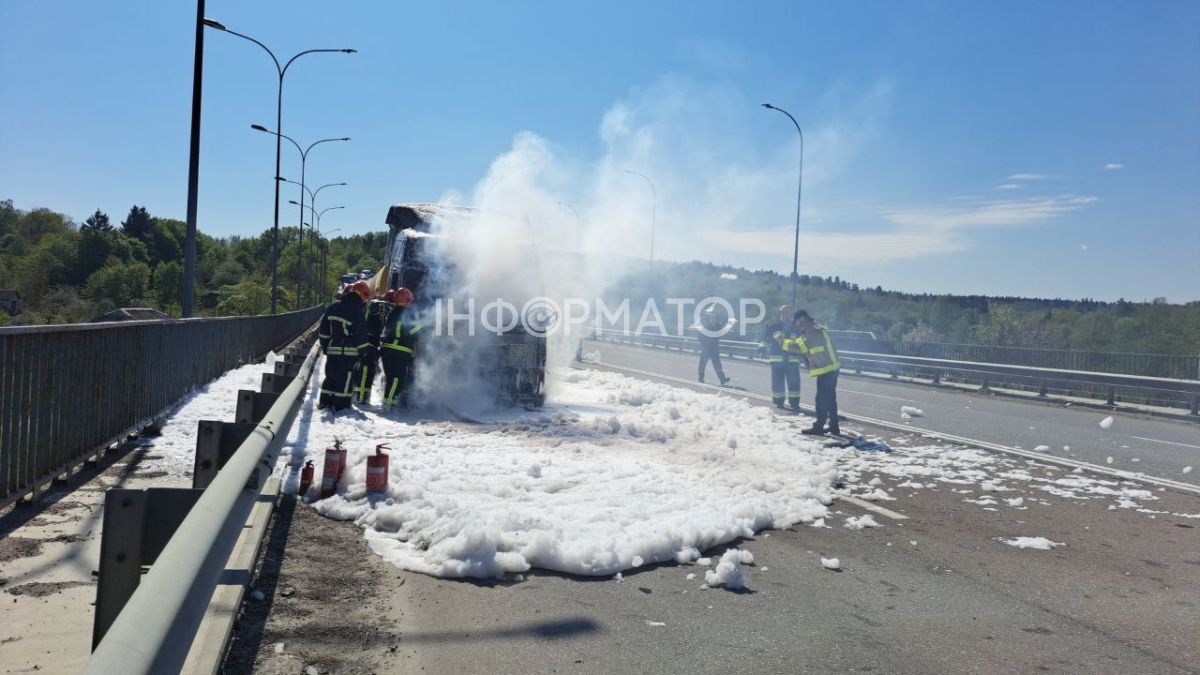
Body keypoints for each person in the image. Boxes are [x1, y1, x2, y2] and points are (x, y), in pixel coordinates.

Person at [780, 309, 841, 435]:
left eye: (797, 322)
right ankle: (834, 427)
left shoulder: (812, 331)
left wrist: (782, 341)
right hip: (831, 368)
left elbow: (800, 346)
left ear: (802, 319)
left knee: (821, 400)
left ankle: (819, 427)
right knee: (830, 399)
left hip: (826, 369)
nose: (797, 325)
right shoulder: (816, 328)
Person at [317, 280, 371, 411]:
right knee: (345, 379)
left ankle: (325, 403)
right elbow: (360, 334)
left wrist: (325, 347)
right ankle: (341, 408)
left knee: (330, 377)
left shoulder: (333, 307)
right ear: (363, 295)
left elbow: (323, 331)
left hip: (332, 349)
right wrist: (364, 351)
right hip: (349, 352)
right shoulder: (357, 310)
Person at [380, 287, 420, 408]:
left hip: (387, 350)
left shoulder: (392, 313)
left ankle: (388, 402)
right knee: (397, 379)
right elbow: (413, 331)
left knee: (390, 378)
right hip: (401, 351)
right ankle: (389, 404)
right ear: (408, 300)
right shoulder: (411, 314)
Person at [759, 304, 802, 412]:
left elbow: (802, 344)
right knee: (777, 382)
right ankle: (779, 401)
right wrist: (762, 350)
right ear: (780, 314)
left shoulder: (796, 329)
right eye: (783, 313)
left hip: (792, 361)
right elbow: (764, 341)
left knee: (794, 383)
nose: (785, 315)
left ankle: (794, 403)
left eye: (788, 313)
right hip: (777, 360)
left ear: (792, 315)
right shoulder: (773, 328)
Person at [352, 292, 391, 404]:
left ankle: (360, 395)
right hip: (370, 346)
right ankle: (361, 397)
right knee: (365, 371)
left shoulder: (369, 309)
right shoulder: (377, 311)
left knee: (365, 371)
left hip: (367, 345)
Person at [697, 306, 730, 386]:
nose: (714, 319)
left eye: (715, 318)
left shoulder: (718, 326)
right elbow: (699, 337)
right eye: (712, 318)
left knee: (718, 364)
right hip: (706, 348)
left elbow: (720, 334)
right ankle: (701, 377)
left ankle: (722, 379)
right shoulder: (706, 327)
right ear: (710, 318)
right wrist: (704, 344)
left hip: (714, 349)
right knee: (702, 364)